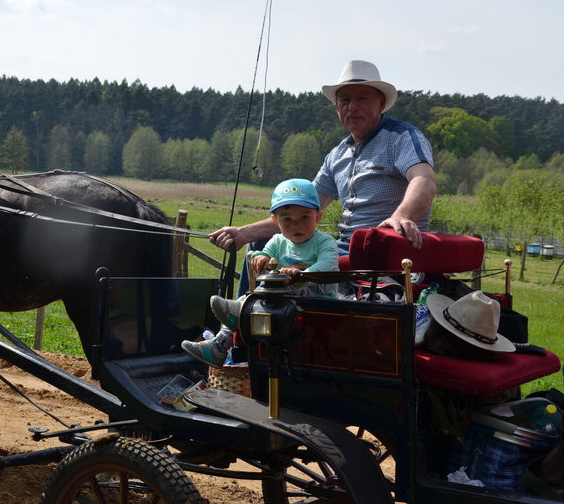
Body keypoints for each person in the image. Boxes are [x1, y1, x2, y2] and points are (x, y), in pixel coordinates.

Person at [209, 59, 437, 262]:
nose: (352, 106)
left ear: (380, 103)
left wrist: (401, 217)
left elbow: (424, 179)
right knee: (261, 246)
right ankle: (246, 308)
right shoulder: (337, 155)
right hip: (343, 249)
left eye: (362, 98)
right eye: (345, 100)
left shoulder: (402, 138)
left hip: (388, 248)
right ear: (337, 108)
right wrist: (243, 232)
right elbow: (300, 207)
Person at [182, 178, 339, 367]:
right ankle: (218, 347)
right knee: (252, 299)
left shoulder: (325, 242)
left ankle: (235, 317)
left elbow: (327, 266)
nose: (296, 225)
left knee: (255, 301)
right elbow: (266, 253)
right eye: (287, 219)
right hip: (284, 302)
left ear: (318, 217)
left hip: (318, 302)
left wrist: (300, 276)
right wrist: (260, 257)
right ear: (276, 221)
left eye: (304, 217)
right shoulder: (278, 240)